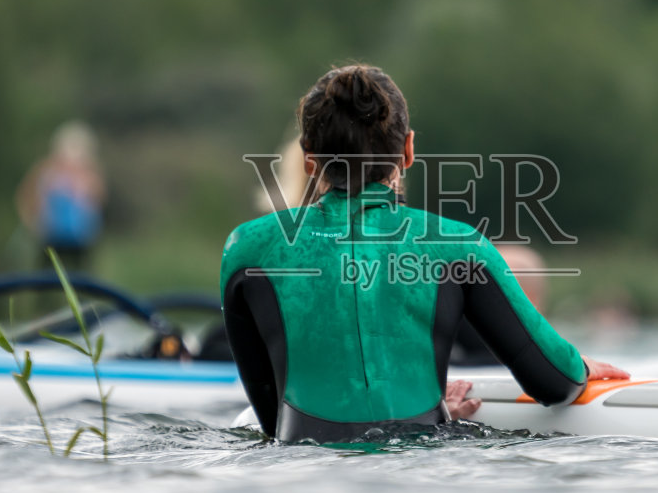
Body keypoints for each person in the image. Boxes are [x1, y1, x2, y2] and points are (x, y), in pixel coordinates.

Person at [220, 64, 628, 442]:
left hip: (300, 472)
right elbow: (553, 382)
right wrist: (581, 366)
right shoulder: (458, 245)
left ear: (309, 159)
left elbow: (272, 416)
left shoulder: (248, 248)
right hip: (421, 468)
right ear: (409, 150)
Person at [17, 121, 106, 270]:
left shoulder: (89, 173)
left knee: (80, 279)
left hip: (81, 240)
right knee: (46, 280)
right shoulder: (45, 171)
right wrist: (31, 223)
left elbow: (99, 200)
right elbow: (25, 196)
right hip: (49, 236)